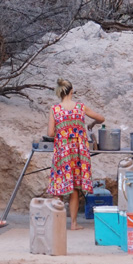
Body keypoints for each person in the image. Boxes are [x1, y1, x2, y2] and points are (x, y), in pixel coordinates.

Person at [46, 78, 105, 230]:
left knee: (59, 186)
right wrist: (91, 124)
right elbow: (101, 118)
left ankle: (57, 224)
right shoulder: (81, 107)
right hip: (78, 152)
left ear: (60, 94)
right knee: (75, 187)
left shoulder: (55, 109)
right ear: (72, 91)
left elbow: (50, 133)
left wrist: (63, 132)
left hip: (62, 152)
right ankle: (73, 224)